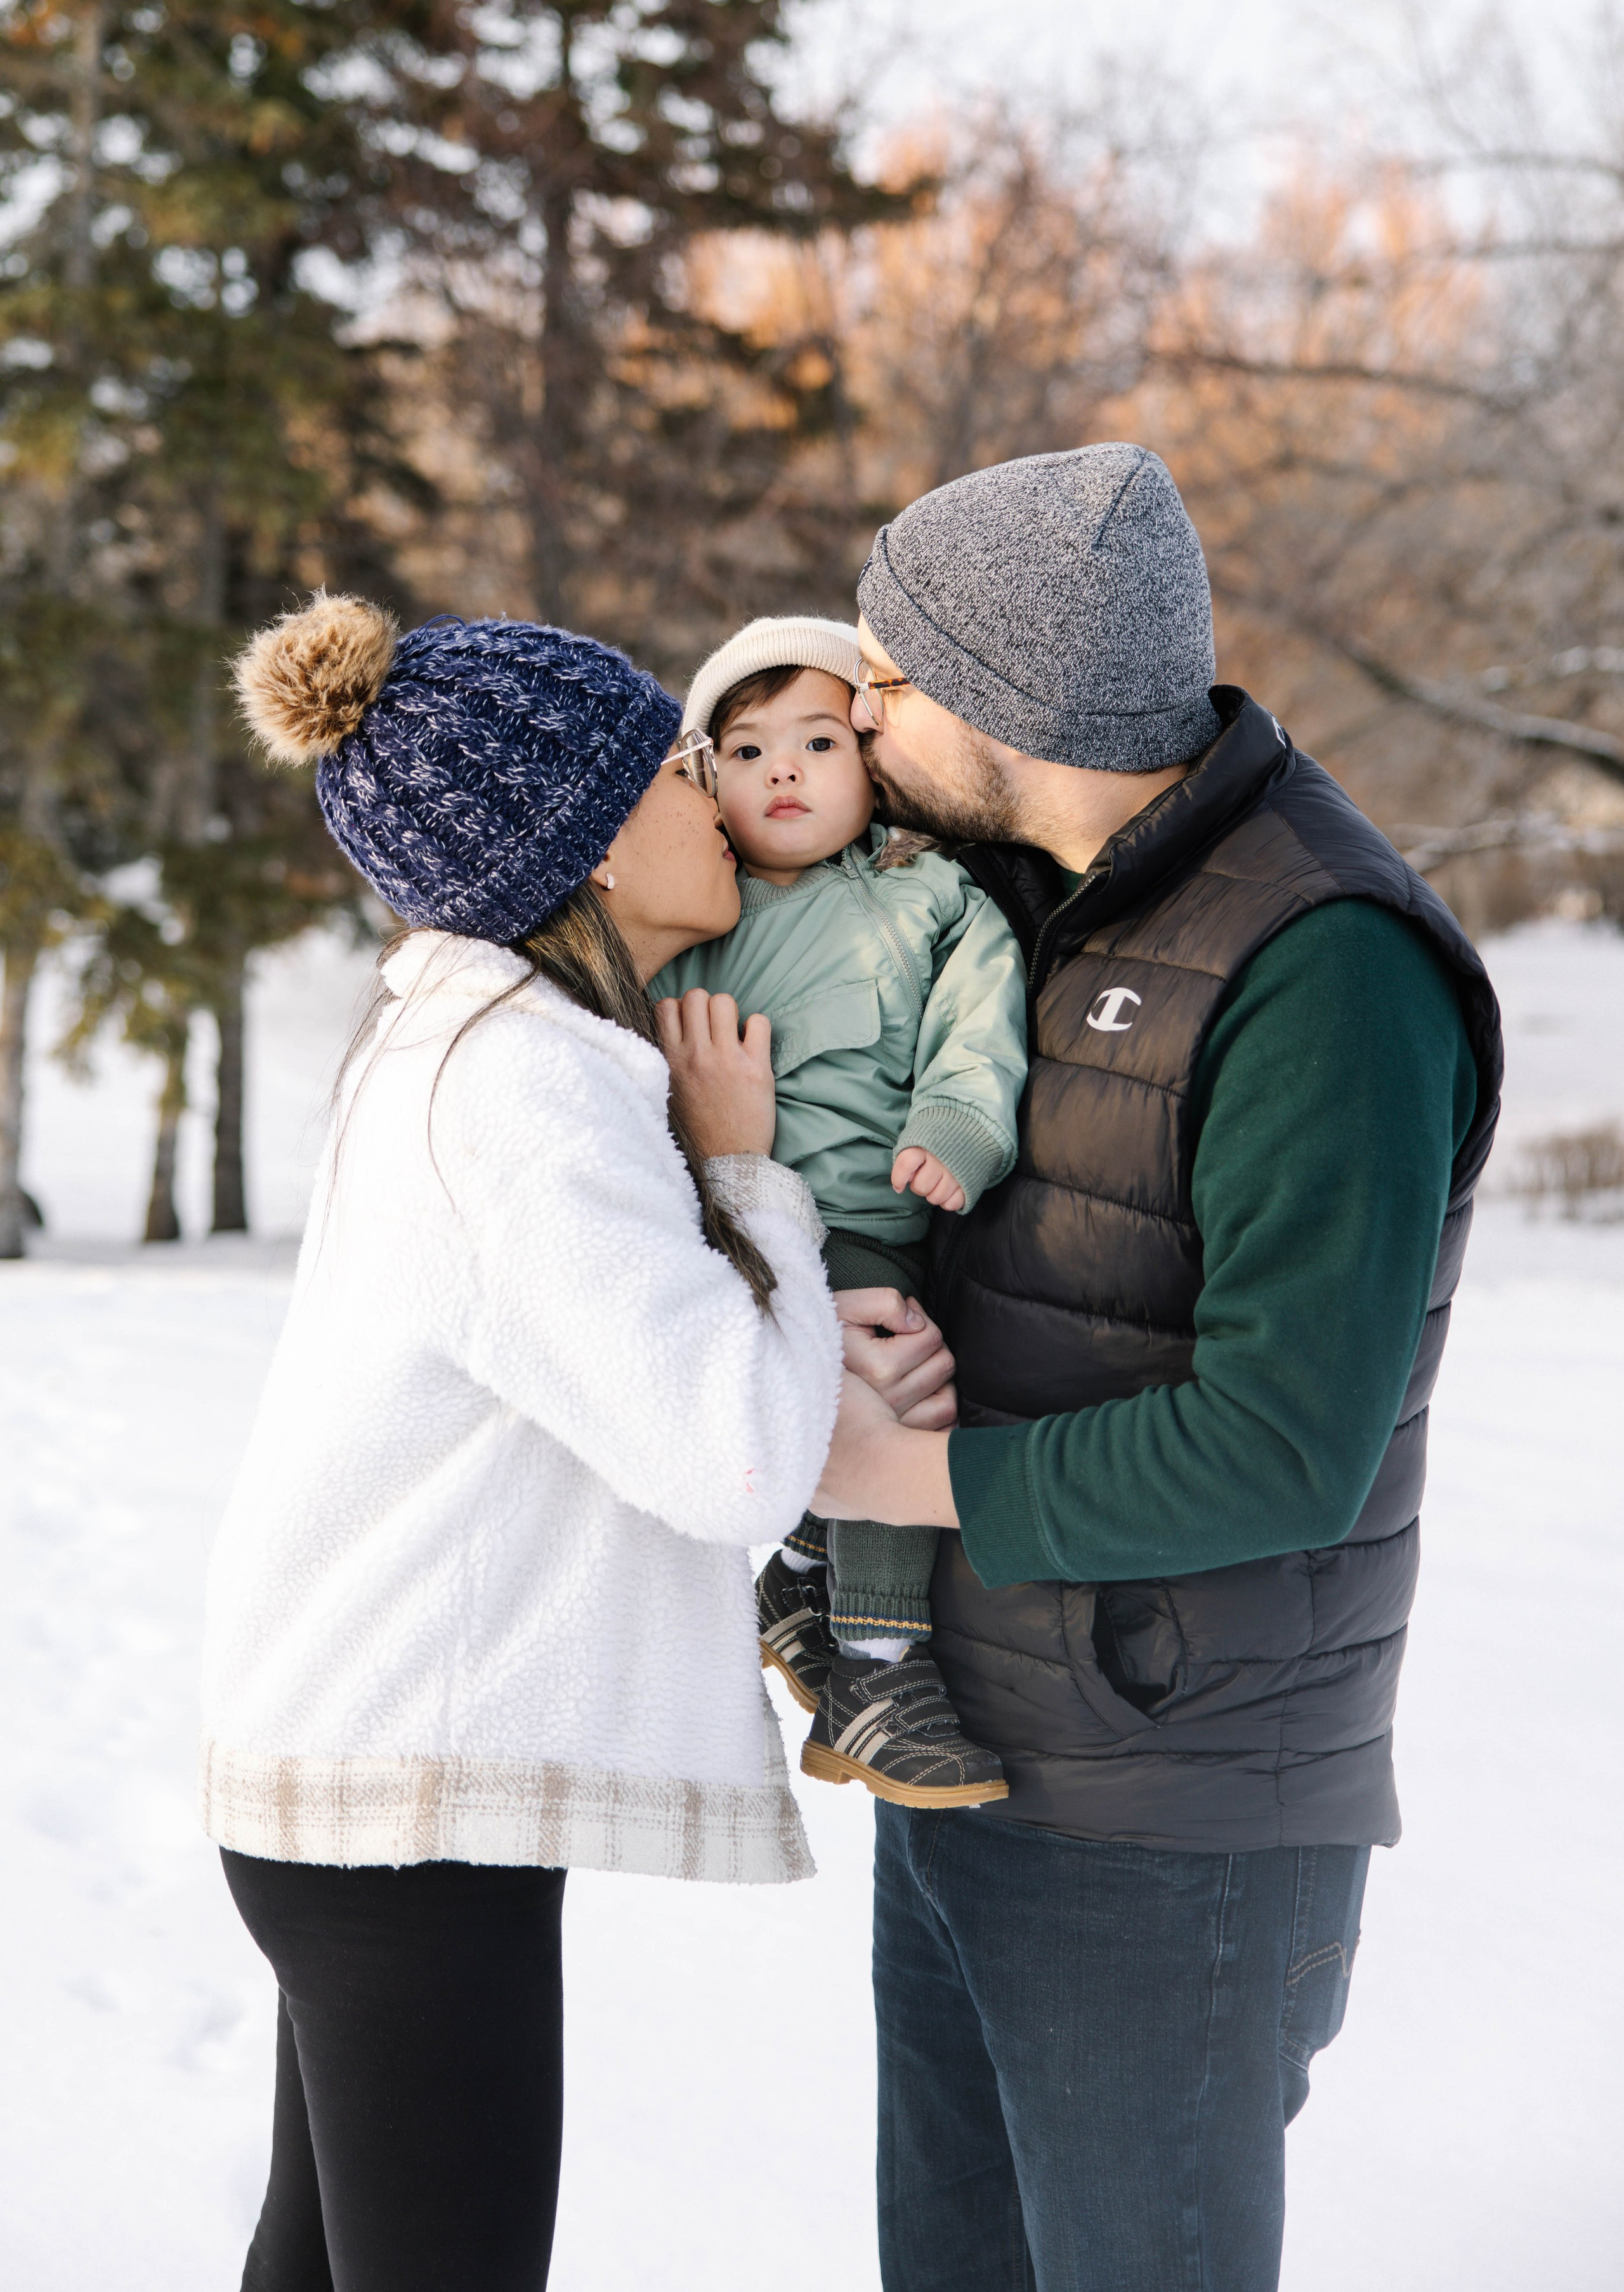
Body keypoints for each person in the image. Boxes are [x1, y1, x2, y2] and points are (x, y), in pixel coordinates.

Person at [813, 444, 1504, 2292]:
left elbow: (1284, 1442)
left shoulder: (1323, 963)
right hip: (970, 1756)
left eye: (885, 674)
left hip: (1164, 1809)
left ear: (1012, 693)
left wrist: (907, 1478)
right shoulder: (1014, 897)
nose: (855, 713)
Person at [199, 593, 948, 2292]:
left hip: (361, 1772)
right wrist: (751, 1170)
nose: (720, 792)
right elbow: (731, 1453)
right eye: (681, 767)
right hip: (404, 1807)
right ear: (598, 837)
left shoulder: (476, 1040)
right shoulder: (523, 1089)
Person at [651, 615, 1027, 1807]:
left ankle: (806, 1576)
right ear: (706, 780)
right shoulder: (697, 925)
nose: (786, 772)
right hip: (764, 1227)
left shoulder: (926, 895)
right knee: (896, 1390)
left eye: (818, 741)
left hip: (895, 1209)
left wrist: (960, 1124)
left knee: (911, 1368)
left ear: (871, 759)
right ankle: (876, 1663)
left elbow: (980, 1021)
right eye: (748, 751)